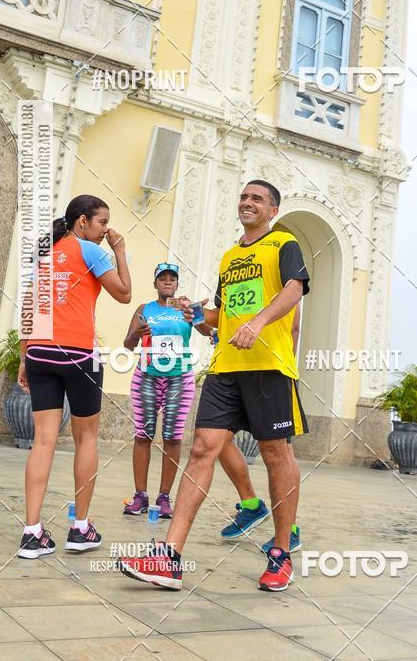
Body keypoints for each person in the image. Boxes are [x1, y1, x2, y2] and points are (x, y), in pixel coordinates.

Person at [120, 180, 309, 592]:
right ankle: (168, 558)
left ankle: (281, 553)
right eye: (243, 196)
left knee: (276, 454)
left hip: (269, 367)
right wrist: (195, 314)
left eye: (257, 198)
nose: (247, 202)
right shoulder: (229, 256)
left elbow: (294, 290)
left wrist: (257, 323)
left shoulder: (284, 244)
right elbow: (217, 316)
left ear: (272, 209)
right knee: (204, 447)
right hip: (226, 367)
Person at [17, 195, 131, 559]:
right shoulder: (92, 251)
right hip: (79, 355)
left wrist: (24, 358)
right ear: (82, 222)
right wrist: (121, 251)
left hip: (39, 352)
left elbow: (29, 307)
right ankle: (80, 528)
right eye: (101, 223)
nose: (105, 230)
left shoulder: (46, 253)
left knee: (43, 441)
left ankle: (32, 533)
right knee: (87, 439)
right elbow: (125, 295)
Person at [122, 263, 211, 518]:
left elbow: (207, 332)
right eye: (163, 278)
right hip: (147, 377)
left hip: (178, 379)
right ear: (155, 284)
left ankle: (164, 497)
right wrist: (137, 334)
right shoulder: (145, 309)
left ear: (177, 284)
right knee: (143, 435)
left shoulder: (184, 308)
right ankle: (140, 496)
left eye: (172, 279)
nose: (168, 282)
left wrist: (196, 313)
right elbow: (128, 344)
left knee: (172, 437)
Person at [218, 302, 302, 553]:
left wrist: (286, 364)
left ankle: (291, 530)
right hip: (236, 369)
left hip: (273, 370)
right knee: (215, 439)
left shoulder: (285, 278)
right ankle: (251, 504)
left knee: (281, 451)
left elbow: (295, 327)